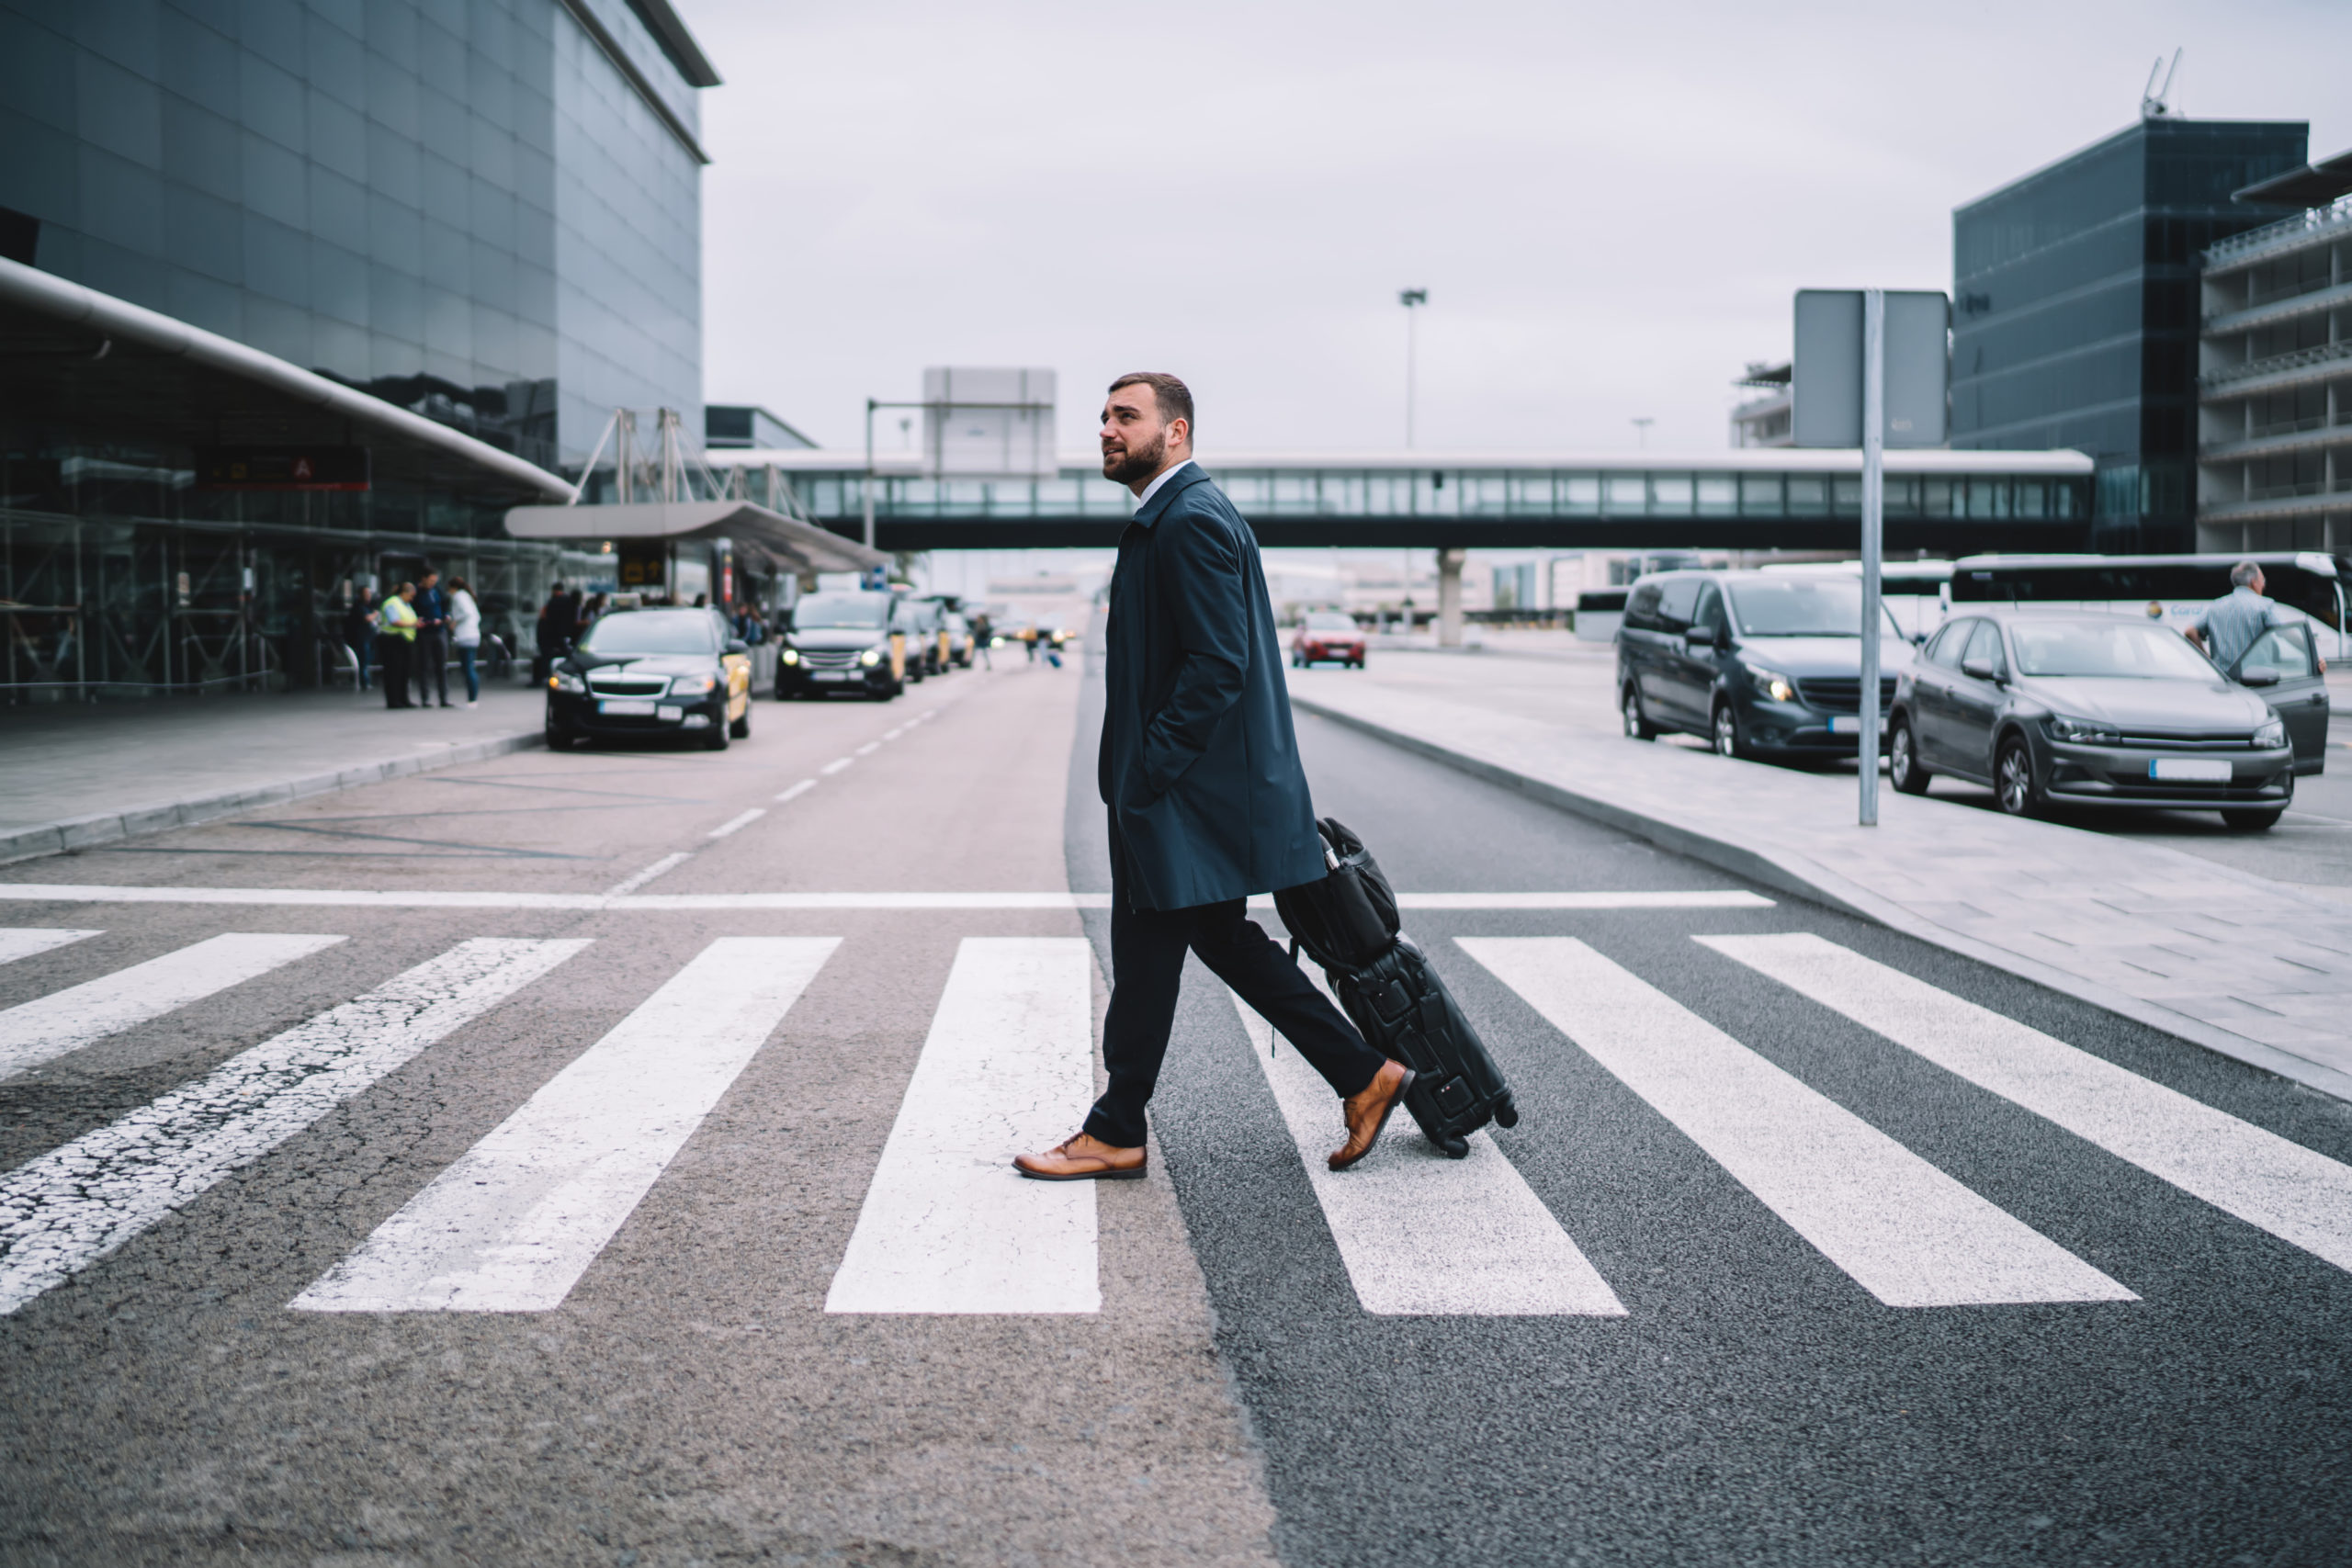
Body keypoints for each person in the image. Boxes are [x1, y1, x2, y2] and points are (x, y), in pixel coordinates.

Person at [1014, 373, 1413, 1183]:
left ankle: (1119, 1127)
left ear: (1178, 432)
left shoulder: (1187, 519)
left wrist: (1150, 770)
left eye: (1127, 416)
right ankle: (1360, 1074)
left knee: (1158, 945)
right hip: (1182, 792)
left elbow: (1216, 664)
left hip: (1180, 795)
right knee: (1206, 942)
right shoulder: (1179, 514)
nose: (1106, 429)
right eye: (1103, 417)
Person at [2186, 560, 2325, 675]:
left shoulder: (2215, 606)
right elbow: (2285, 633)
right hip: (2256, 679)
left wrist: (2209, 661)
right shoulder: (2264, 606)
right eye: (2263, 580)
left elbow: (2190, 632)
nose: (2264, 585)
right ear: (2253, 582)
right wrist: (2314, 657)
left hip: (2223, 679)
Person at [413, 570, 451, 708]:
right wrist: (425, 621)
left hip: (439, 630)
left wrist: (445, 616)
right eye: (430, 581)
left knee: (441, 665)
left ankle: (443, 698)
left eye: (434, 581)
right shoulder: (416, 592)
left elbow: (444, 604)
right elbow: (413, 611)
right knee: (424, 665)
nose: (432, 584)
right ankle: (425, 698)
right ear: (423, 579)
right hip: (425, 632)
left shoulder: (437, 590)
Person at [379, 582, 419, 708]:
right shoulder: (392, 603)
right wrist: (413, 625)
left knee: (404, 671)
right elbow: (394, 621)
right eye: (411, 595)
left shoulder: (406, 605)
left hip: (405, 640)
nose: (412, 599)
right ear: (404, 593)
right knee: (393, 671)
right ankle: (393, 700)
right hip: (392, 639)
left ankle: (403, 698)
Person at [448, 574, 482, 708]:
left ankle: (472, 699)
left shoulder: (459, 596)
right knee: (470, 667)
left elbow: (467, 613)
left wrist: (455, 621)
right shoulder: (468, 596)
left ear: (452, 587)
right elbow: (476, 616)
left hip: (465, 636)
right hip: (473, 634)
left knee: (468, 668)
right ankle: (472, 699)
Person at [535, 583, 574, 683]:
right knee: (565, 654)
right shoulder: (568, 601)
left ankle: (547, 676)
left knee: (548, 656)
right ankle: (565, 675)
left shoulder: (553, 602)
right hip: (564, 633)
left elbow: (548, 618)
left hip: (551, 634)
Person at [340, 589, 376, 693]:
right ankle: (364, 681)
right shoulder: (359, 607)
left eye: (369, 594)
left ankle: (356, 678)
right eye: (366, 594)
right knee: (363, 660)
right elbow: (367, 618)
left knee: (366, 659)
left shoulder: (368, 606)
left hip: (368, 637)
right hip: (361, 638)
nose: (368, 596)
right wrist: (375, 614)